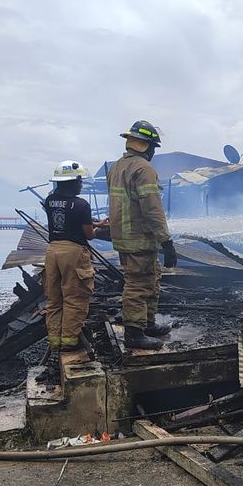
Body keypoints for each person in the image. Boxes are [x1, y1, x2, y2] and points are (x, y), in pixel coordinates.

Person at [107, 120, 177, 351]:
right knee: (138, 285)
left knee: (150, 279)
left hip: (124, 236)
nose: (154, 152)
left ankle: (147, 324)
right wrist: (166, 240)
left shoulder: (117, 166)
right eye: (153, 147)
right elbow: (152, 208)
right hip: (140, 237)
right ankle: (135, 335)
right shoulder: (143, 168)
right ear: (146, 145)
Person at [43, 160, 104, 352]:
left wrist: (91, 222)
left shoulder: (50, 201)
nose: (81, 184)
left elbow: (66, 218)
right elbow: (88, 235)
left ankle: (55, 341)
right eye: (79, 180)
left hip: (52, 251)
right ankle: (70, 341)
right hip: (73, 253)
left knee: (54, 299)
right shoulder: (82, 205)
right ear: (71, 182)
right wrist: (98, 227)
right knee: (75, 297)